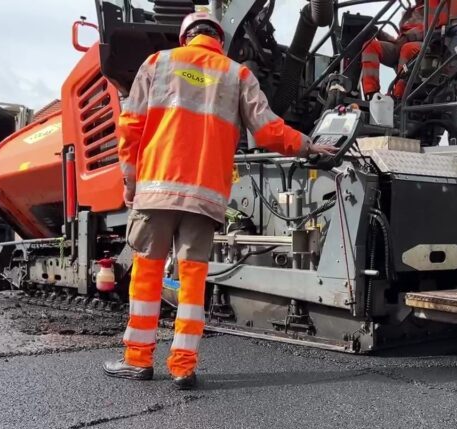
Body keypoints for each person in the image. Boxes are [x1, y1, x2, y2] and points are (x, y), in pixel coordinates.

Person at [104, 12, 337, 389]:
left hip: (156, 193)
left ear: (185, 37)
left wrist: (129, 182)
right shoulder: (237, 75)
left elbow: (129, 129)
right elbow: (268, 130)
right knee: (194, 281)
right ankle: (183, 366)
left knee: (147, 276)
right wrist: (308, 145)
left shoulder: (157, 64)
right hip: (205, 199)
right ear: (218, 39)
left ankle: (138, 360)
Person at [360, 0, 457, 100]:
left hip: (431, 44)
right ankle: (372, 95)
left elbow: (435, 27)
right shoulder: (410, 12)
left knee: (407, 48)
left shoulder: (437, 4)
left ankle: (398, 97)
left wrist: (407, 37)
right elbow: (399, 40)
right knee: (370, 45)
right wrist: (378, 33)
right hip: (405, 43)